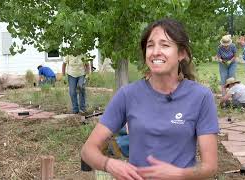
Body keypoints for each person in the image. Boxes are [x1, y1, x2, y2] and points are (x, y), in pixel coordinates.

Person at [81, 18, 219, 180]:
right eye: (150, 45)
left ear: (181, 53)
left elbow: (210, 167)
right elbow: (87, 150)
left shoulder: (200, 97)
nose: (155, 52)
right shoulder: (128, 95)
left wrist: (178, 174)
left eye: (165, 45)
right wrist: (110, 164)